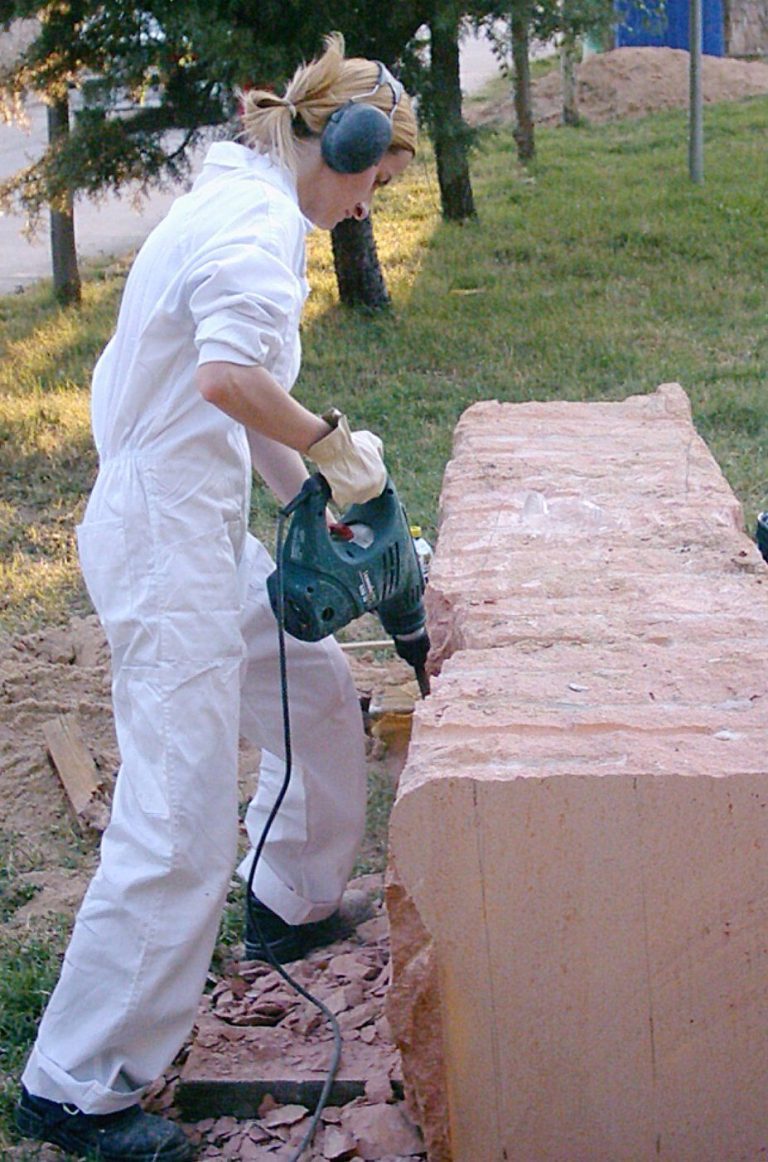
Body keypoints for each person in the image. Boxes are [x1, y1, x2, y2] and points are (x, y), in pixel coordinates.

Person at [16, 32, 417, 1162]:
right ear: (345, 145)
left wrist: (309, 502)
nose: (367, 212)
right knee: (180, 808)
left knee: (313, 684)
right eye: (375, 185)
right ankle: (78, 1086)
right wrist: (334, 447)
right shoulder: (253, 229)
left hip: (194, 518)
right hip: (162, 542)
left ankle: (287, 899)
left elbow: (238, 400)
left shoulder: (244, 198)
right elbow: (230, 378)